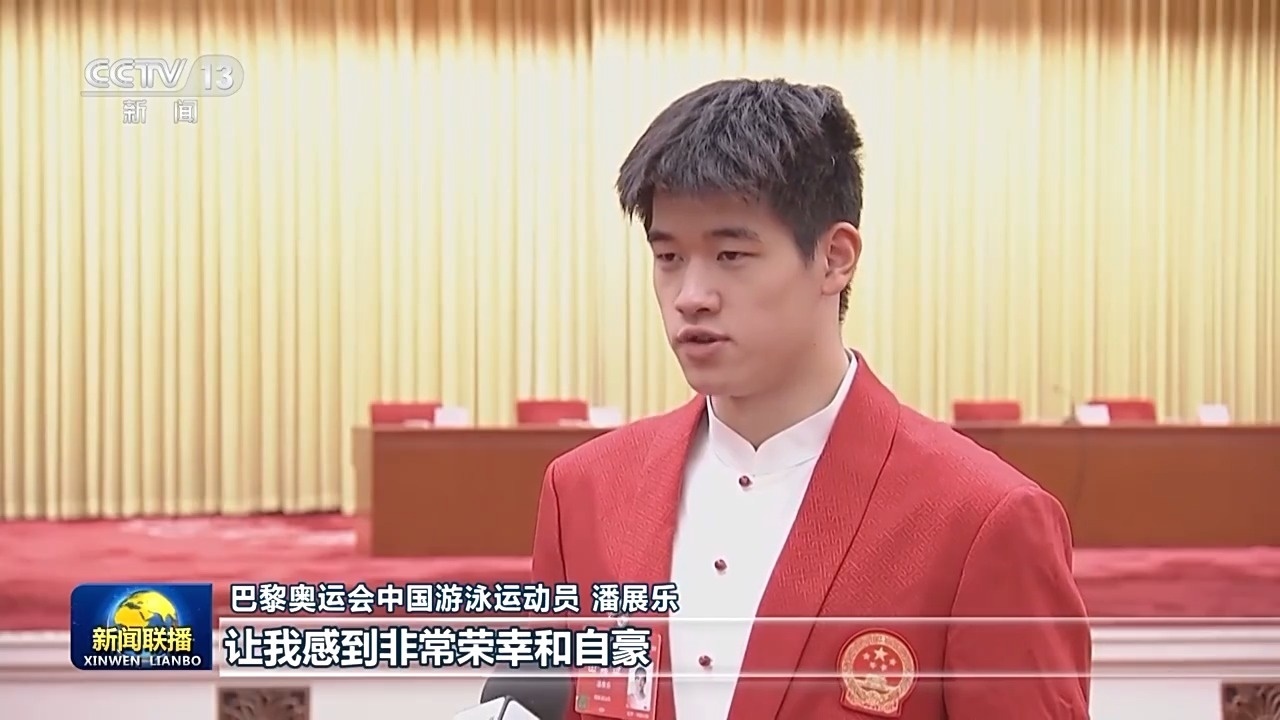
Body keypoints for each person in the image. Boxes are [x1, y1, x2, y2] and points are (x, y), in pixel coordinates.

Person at [531, 78, 1091, 719]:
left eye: (731, 254)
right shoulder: (584, 492)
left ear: (834, 258)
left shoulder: (982, 519)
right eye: (669, 257)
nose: (691, 296)